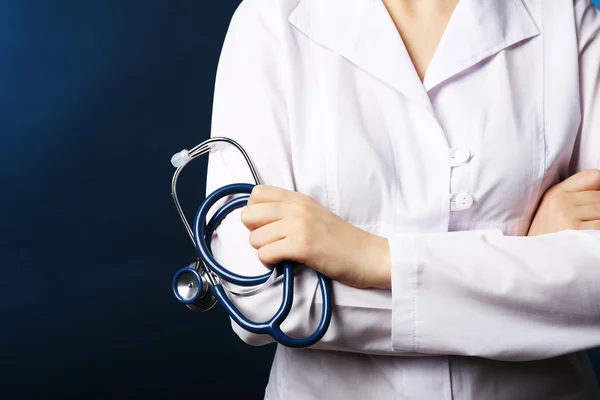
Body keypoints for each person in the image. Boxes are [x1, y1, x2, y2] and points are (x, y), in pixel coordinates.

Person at [205, 0, 600, 398]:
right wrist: (530, 261)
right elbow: (260, 299)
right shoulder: (271, 19)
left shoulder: (564, 14)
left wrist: (372, 258)